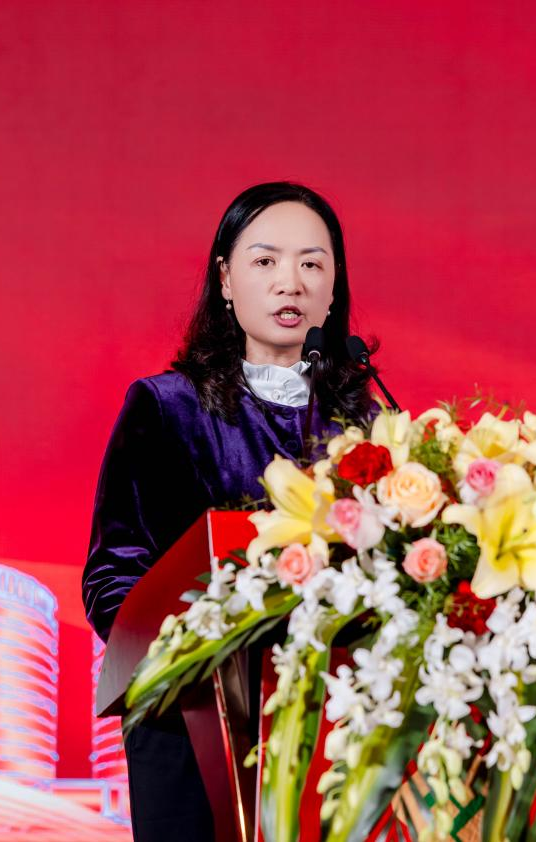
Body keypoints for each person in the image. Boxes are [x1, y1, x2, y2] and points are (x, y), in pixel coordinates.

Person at [82, 181, 381, 841]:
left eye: (311, 264)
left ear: (333, 287)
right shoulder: (167, 408)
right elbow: (113, 576)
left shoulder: (368, 424)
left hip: (337, 730)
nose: (290, 283)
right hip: (189, 723)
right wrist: (201, 646)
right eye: (265, 261)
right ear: (225, 279)